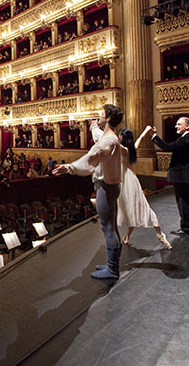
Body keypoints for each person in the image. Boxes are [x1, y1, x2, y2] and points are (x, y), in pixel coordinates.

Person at [54, 104, 125, 279]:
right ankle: (111, 264)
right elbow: (98, 136)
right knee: (112, 225)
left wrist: (69, 168)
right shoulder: (110, 137)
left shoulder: (108, 141)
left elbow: (90, 157)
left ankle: (113, 269)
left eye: (101, 115)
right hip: (111, 185)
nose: (98, 117)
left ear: (108, 118)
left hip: (105, 186)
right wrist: (93, 125)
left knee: (107, 226)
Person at [145, 117, 189, 234]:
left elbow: (167, 147)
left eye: (179, 124)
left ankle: (186, 227)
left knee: (182, 200)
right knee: (186, 199)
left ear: (187, 126)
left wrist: (154, 136)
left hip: (182, 174)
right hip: (188, 174)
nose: (176, 126)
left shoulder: (187, 139)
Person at [118, 128, 172, 249]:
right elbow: (140, 139)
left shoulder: (124, 150)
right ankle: (128, 235)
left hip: (127, 182)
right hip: (133, 180)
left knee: (133, 208)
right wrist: (147, 130)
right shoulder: (131, 149)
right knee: (134, 208)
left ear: (122, 137)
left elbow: (113, 141)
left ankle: (159, 234)